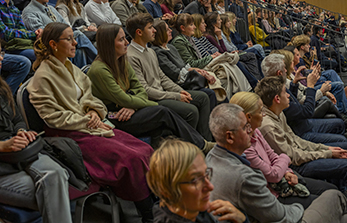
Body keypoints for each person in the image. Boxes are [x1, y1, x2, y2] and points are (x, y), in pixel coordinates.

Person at [27, 23, 156, 222]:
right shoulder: (42, 77)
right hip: (68, 134)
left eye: (73, 37)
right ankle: (148, 216)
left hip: (90, 125)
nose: (75, 42)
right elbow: (53, 118)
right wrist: (87, 120)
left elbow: (89, 96)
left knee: (144, 150)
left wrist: (94, 110)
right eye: (68, 39)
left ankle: (155, 204)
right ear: (53, 44)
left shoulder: (72, 68)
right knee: (132, 159)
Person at [254, 76, 347, 221]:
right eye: (285, 92)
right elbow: (294, 157)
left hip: (301, 156)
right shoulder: (268, 126)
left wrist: (326, 149)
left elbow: (297, 141)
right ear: (277, 98)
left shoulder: (278, 113)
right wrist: (327, 153)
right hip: (297, 167)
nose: (289, 95)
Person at [205, 104, 347, 223]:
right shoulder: (243, 177)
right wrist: (302, 206)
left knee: (344, 218)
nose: (250, 130)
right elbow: (280, 215)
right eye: (245, 127)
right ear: (230, 137)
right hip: (283, 213)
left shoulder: (211, 158)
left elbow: (274, 157)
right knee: (336, 197)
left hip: (270, 201)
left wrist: (285, 169)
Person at [0, 45, 72, 223]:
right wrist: (2, 146)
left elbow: (17, 119)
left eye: (0, 52)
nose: (1, 58)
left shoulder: (2, 87)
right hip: (4, 162)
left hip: (18, 153)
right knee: (55, 190)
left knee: (57, 175)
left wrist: (22, 131)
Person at [231, 92, 339, 208]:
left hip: (284, 175)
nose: (263, 114)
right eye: (260, 111)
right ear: (248, 117)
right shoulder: (245, 147)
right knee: (329, 202)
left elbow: (272, 155)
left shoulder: (256, 131)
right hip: (274, 195)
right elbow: (273, 174)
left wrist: (287, 171)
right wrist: (285, 158)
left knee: (333, 190)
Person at [125, 13, 213, 139]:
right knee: (191, 111)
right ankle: (189, 146)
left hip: (162, 92)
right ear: (139, 32)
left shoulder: (150, 51)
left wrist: (181, 91)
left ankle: (204, 139)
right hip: (154, 99)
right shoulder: (131, 56)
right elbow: (145, 90)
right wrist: (176, 96)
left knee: (203, 97)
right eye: (150, 28)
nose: (154, 30)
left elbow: (162, 78)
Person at [146, 139, 247, 223]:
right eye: (195, 180)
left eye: (206, 174)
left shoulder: (192, 209)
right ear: (167, 190)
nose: (210, 187)